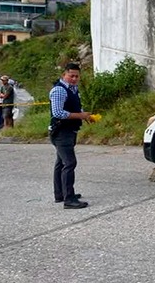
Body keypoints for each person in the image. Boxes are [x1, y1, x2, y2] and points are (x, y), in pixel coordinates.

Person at [49, 63, 96, 209]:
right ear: (64, 75)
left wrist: (85, 116)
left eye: (77, 76)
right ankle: (69, 199)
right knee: (69, 163)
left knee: (61, 163)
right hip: (61, 132)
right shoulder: (59, 90)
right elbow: (58, 113)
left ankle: (60, 194)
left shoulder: (73, 89)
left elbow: (75, 107)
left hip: (69, 131)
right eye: (71, 76)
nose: (74, 79)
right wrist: (80, 115)